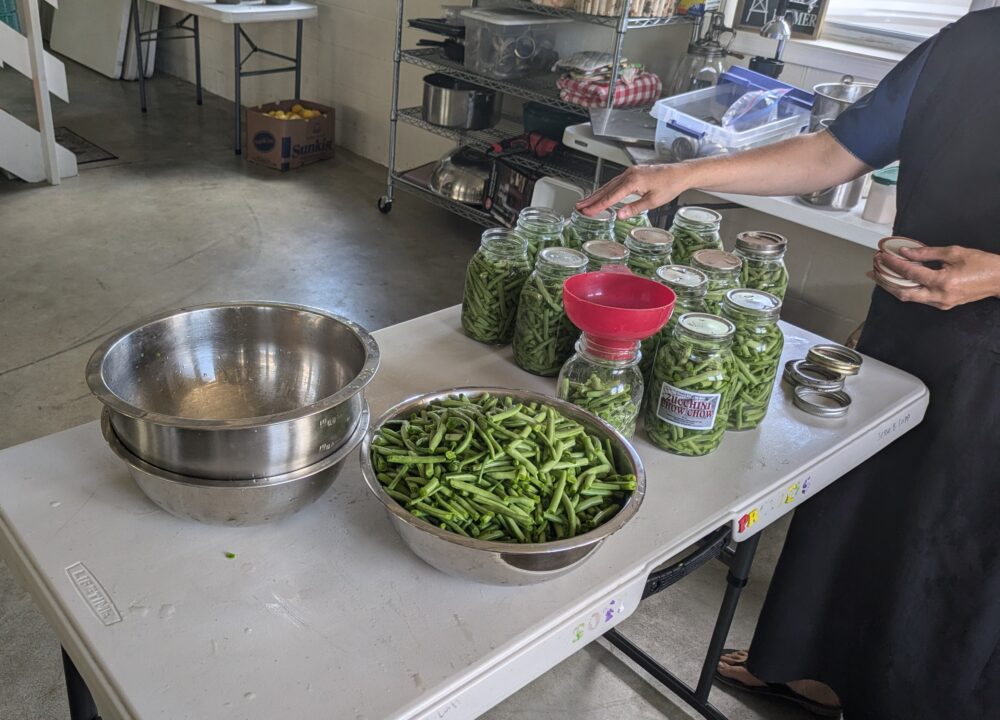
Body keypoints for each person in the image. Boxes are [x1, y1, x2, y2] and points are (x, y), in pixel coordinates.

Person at [579, 9, 1000, 719]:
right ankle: (813, 670)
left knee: (957, 549)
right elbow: (836, 151)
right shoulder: (974, 39)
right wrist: (681, 173)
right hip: (913, 327)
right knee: (858, 501)